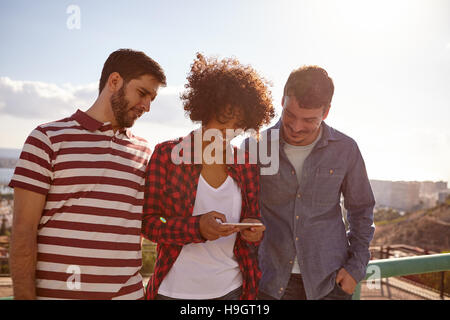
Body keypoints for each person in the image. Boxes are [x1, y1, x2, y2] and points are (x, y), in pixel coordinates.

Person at [8, 49, 166, 299]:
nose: (146, 106)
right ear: (114, 82)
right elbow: (23, 232)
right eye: (142, 93)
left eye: (152, 99)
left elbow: (154, 218)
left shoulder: (146, 151)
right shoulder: (47, 139)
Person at [141, 53, 275, 300]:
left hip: (233, 291)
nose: (228, 135)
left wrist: (254, 231)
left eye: (237, 127)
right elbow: (149, 223)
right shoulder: (167, 155)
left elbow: (251, 218)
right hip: (173, 291)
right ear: (205, 111)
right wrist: (196, 227)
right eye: (222, 124)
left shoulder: (246, 164)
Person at [243, 66, 375, 300]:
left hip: (330, 283)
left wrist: (356, 267)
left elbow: (361, 210)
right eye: (290, 115)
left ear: (326, 112)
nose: (296, 127)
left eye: (309, 120)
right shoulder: (255, 146)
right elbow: (241, 210)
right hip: (268, 282)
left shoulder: (346, 149)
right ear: (282, 100)